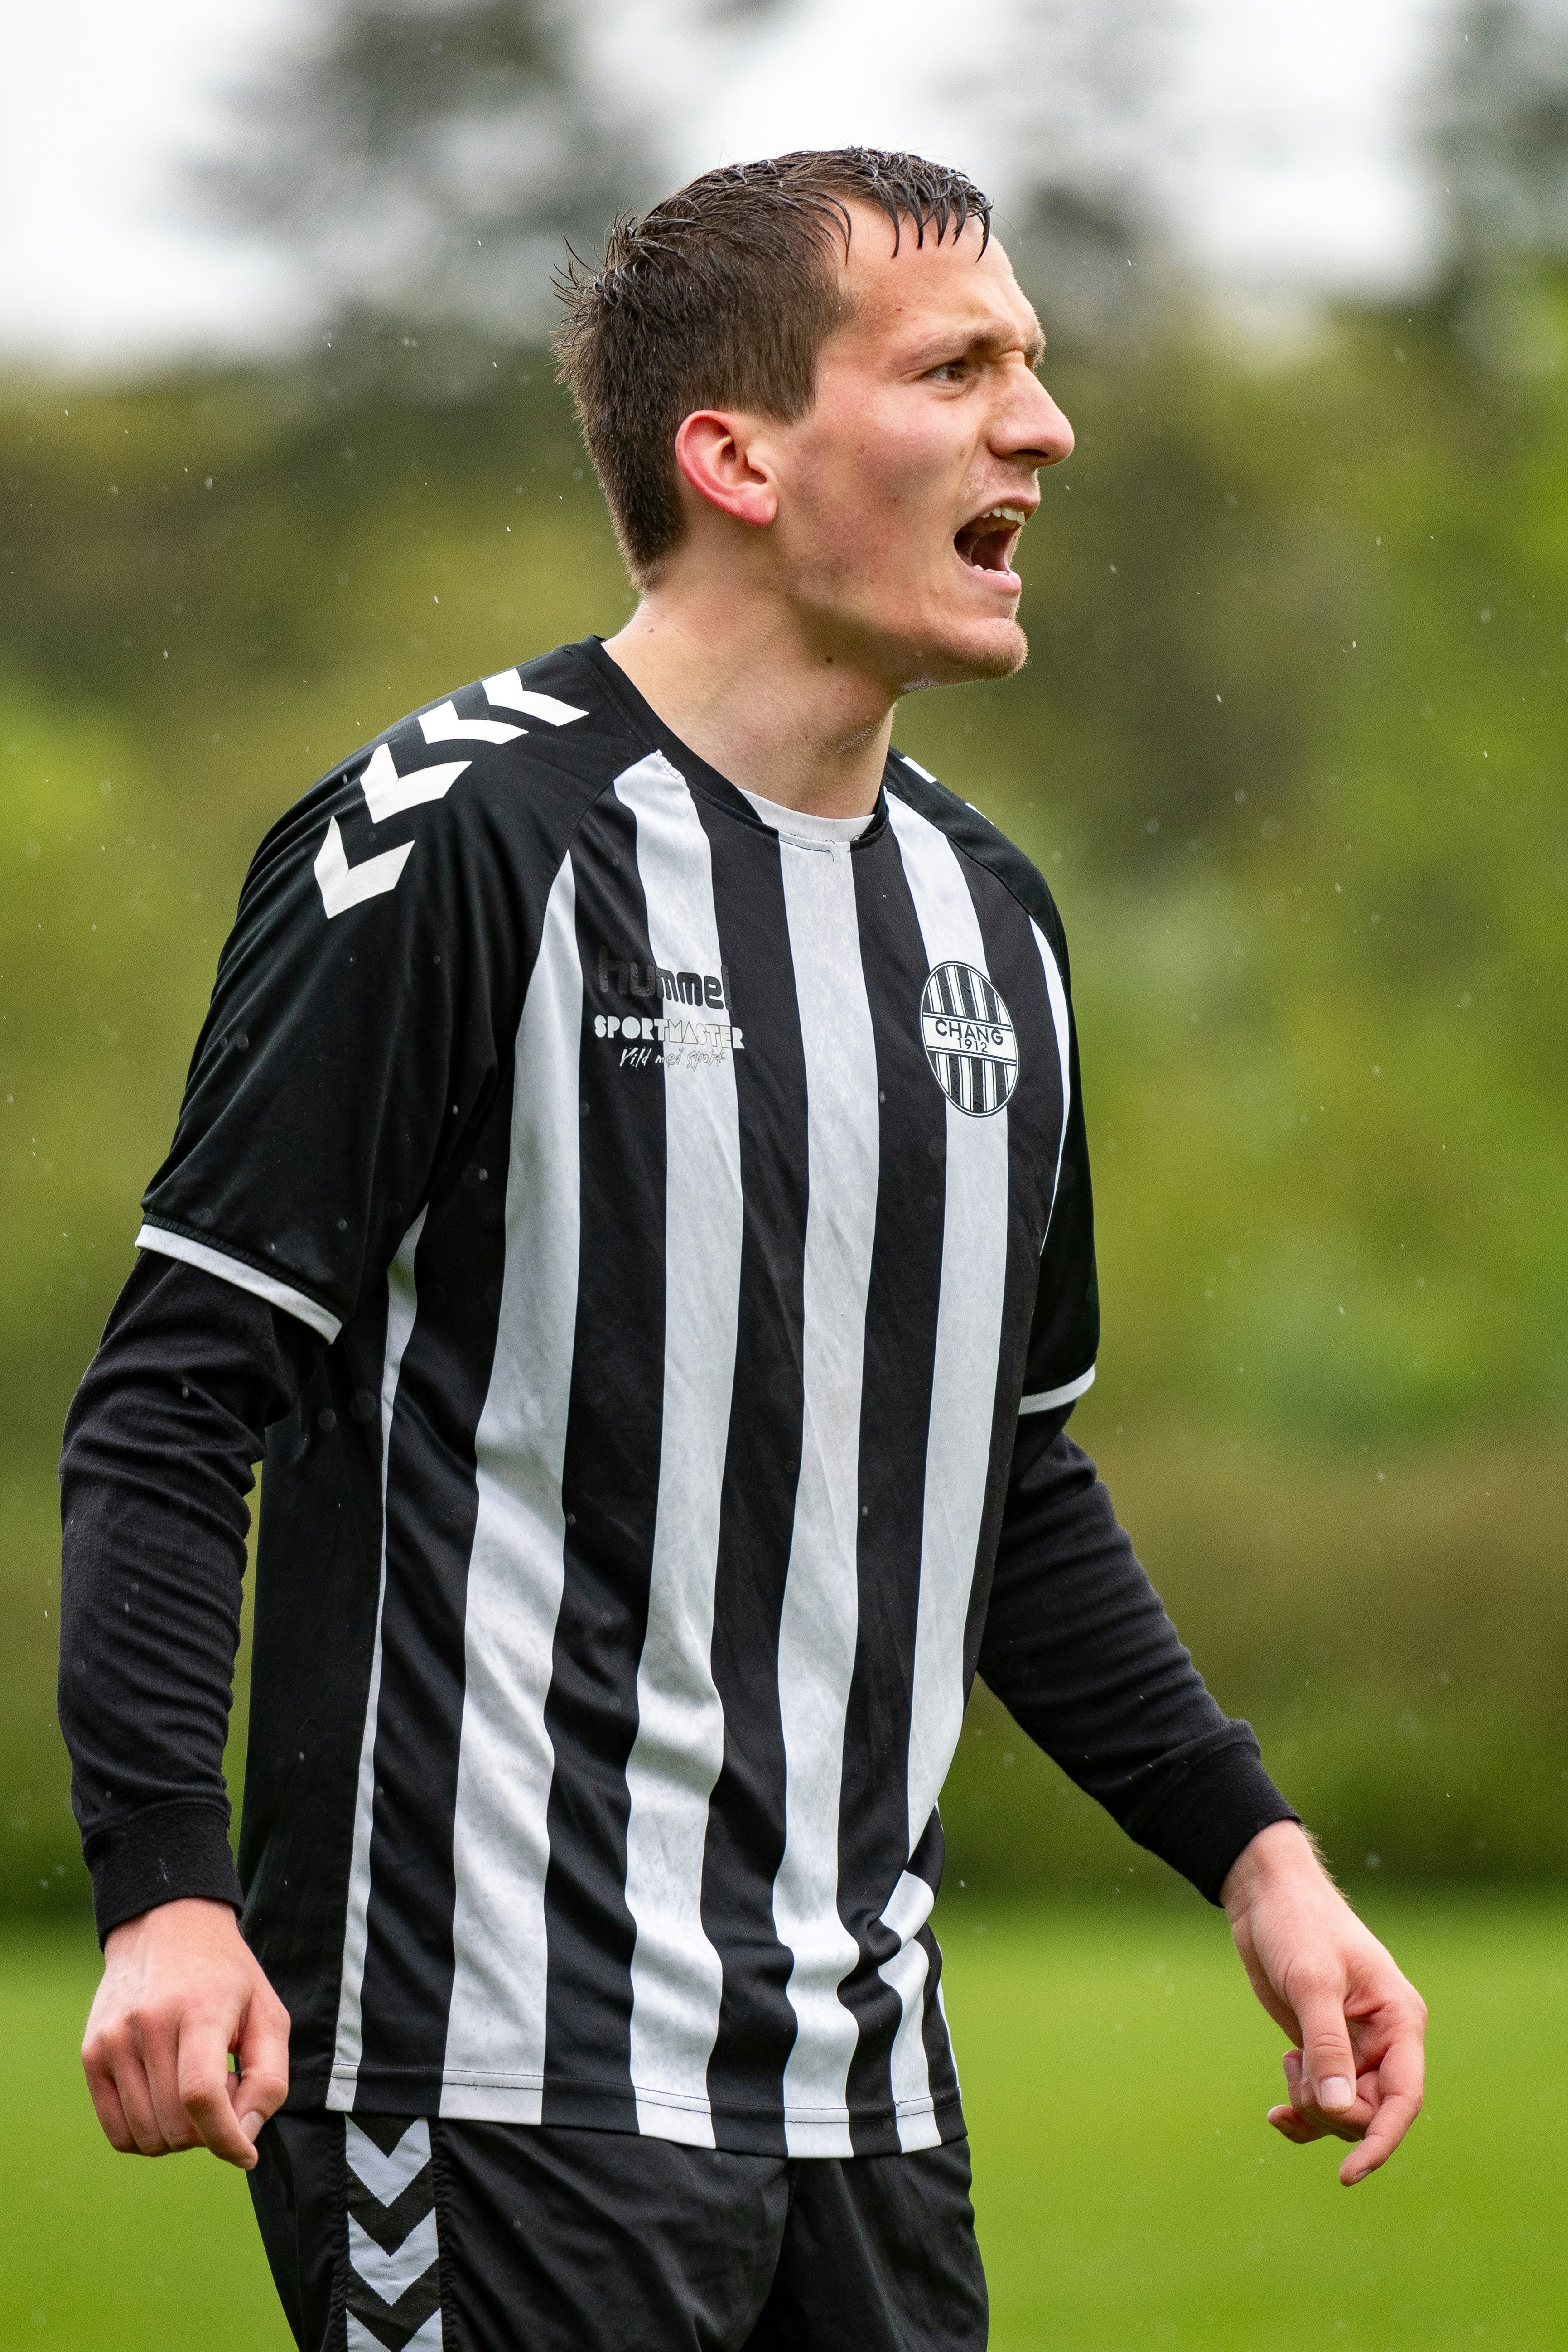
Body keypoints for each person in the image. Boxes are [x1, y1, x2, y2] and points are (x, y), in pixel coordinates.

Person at [58, 150, 1426, 2352]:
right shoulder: (452, 844)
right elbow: (169, 1409)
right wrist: (167, 1893)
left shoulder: (988, 920)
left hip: (861, 2100)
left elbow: (1008, 1480)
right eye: (958, 365)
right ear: (736, 456)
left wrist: (1252, 1848)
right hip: (484, 2066)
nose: (1040, 427)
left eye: (1035, 367)